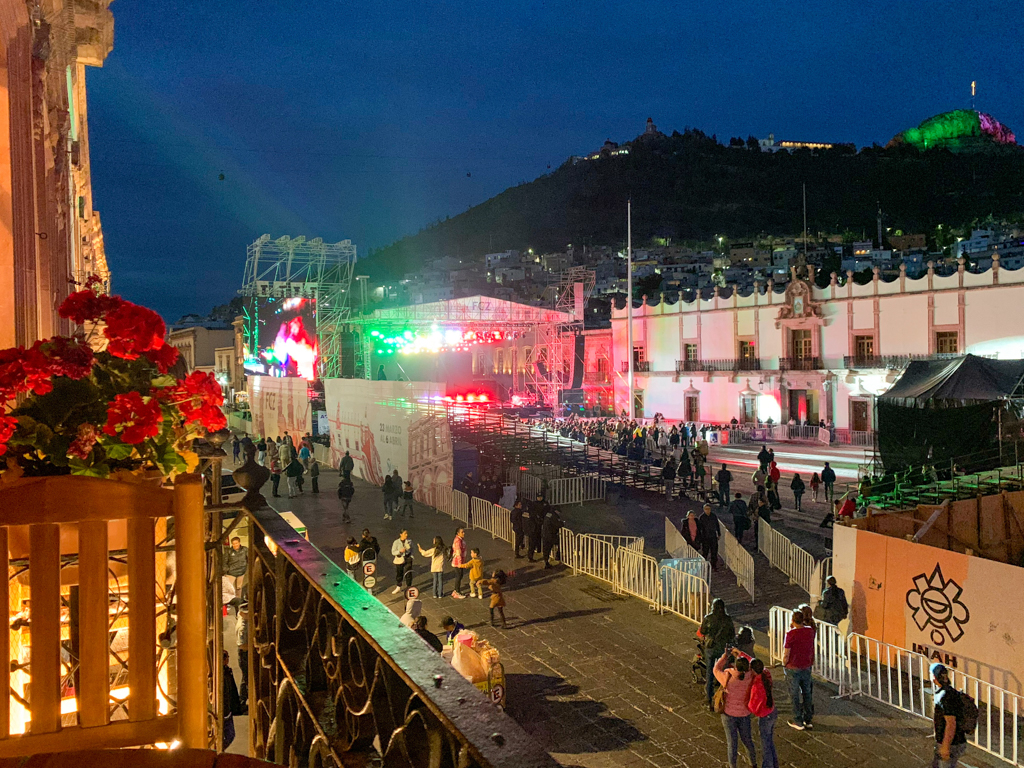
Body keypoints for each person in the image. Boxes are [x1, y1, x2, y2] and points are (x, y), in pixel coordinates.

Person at [713, 649, 757, 768]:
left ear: (736, 667)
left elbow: (716, 669)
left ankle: (733, 766)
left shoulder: (728, 678)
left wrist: (725, 656)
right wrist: (742, 654)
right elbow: (755, 663)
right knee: (747, 740)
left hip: (729, 714)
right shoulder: (751, 676)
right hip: (744, 714)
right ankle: (753, 763)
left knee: (732, 743)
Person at [699, 598, 736, 709]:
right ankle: (722, 698)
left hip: (710, 648)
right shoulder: (727, 619)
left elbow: (703, 631)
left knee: (709, 672)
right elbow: (731, 634)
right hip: (722, 649)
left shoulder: (708, 618)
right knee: (724, 673)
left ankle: (709, 699)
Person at [930, 663, 968, 767]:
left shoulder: (945, 696)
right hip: (951, 741)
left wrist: (945, 746)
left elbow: (951, 723)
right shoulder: (949, 692)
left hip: (951, 743)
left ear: (934, 677)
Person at [783, 609, 815, 730]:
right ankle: (808, 719)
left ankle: (798, 720)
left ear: (792, 620)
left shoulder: (791, 634)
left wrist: (784, 663)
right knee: (807, 693)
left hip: (793, 667)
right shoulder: (810, 631)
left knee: (794, 694)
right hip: (806, 666)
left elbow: (787, 653)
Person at [749, 658, 779, 768]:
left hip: (765, 717)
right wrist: (740, 653)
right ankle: (775, 764)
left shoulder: (756, 686)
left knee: (765, 745)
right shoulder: (766, 674)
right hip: (772, 712)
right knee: (770, 741)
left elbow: (753, 708)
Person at [222, 650, 243, 749]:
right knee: (230, 734)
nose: (228, 659)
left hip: (227, 711)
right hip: (226, 713)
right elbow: (227, 694)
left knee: (230, 735)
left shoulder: (227, 672)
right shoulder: (224, 675)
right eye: (226, 657)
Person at [697, 504, 721, 571]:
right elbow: (699, 529)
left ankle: (714, 566)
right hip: (705, 537)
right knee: (705, 552)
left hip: (713, 536)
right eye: (706, 509)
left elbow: (717, 525)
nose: (707, 510)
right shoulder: (702, 517)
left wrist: (719, 533)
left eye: (708, 509)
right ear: (704, 509)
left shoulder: (713, 516)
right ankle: (704, 566)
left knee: (714, 552)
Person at [224, 537, 248, 601]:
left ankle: (239, 601)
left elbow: (249, 559)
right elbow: (224, 562)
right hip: (231, 572)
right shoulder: (229, 551)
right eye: (233, 544)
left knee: (239, 588)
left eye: (236, 543)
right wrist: (227, 569)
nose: (235, 545)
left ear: (239, 543)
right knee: (229, 588)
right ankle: (230, 601)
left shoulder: (245, 550)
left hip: (241, 572)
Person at [391, 530, 414, 594]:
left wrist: (411, 556)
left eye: (407, 533)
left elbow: (412, 549)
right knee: (399, 573)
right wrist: (399, 552)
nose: (406, 535)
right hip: (399, 559)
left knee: (408, 573)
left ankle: (409, 586)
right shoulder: (396, 542)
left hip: (408, 558)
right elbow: (393, 552)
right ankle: (398, 586)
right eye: (405, 533)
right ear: (401, 534)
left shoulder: (409, 541)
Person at [236, 602, 249, 703]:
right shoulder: (243, 627)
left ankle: (242, 700)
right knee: (246, 677)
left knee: (245, 678)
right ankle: (242, 700)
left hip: (244, 653)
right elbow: (242, 644)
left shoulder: (243, 620)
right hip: (245, 653)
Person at [527, 493, 547, 562]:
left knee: (538, 540)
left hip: (539, 526)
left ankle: (538, 550)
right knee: (532, 543)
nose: (539, 498)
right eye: (538, 497)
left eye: (540, 497)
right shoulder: (534, 504)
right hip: (534, 528)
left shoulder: (545, 503)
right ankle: (530, 556)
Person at [450, 527, 468, 599]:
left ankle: (456, 590)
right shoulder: (458, 541)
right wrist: (460, 563)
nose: (464, 533)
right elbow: (458, 552)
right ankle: (457, 591)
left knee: (460, 576)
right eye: (462, 532)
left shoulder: (460, 540)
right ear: (458, 533)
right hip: (458, 562)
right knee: (459, 576)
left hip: (460, 562)